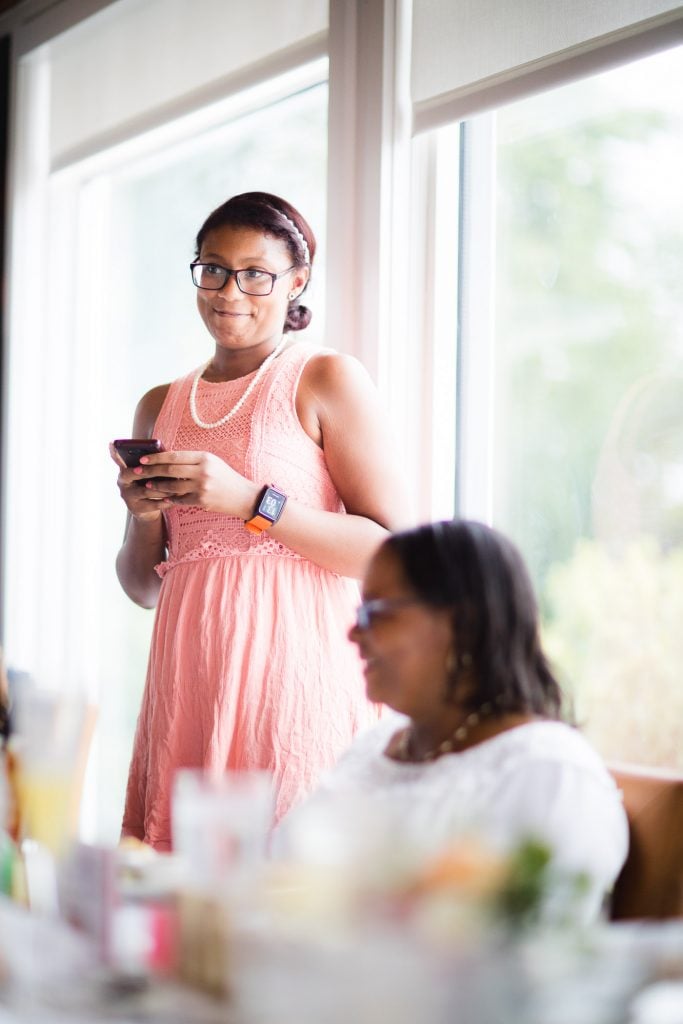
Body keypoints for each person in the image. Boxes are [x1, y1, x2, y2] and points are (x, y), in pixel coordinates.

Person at [111, 191, 406, 850]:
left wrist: (251, 502)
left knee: (296, 881)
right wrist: (143, 518)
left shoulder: (324, 377)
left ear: (295, 281)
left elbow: (389, 552)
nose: (228, 291)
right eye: (212, 269)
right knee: (184, 902)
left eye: (255, 274)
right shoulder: (159, 405)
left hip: (297, 673)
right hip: (189, 679)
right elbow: (145, 586)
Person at [277, 519, 629, 923]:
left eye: (376, 612)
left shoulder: (551, 775)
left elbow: (541, 955)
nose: (354, 633)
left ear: (462, 623)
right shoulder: (375, 747)